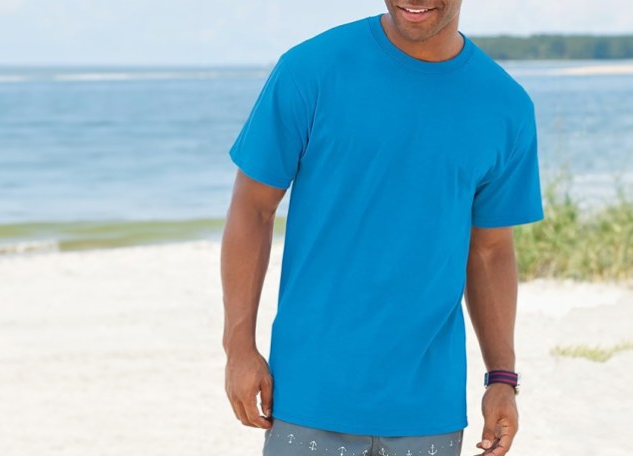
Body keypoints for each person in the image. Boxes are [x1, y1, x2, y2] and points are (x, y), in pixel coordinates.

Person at [220, 1, 543, 455]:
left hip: (430, 410)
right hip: (310, 394)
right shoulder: (310, 70)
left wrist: (502, 378)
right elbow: (252, 209)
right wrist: (239, 347)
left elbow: (490, 251)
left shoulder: (505, 106)